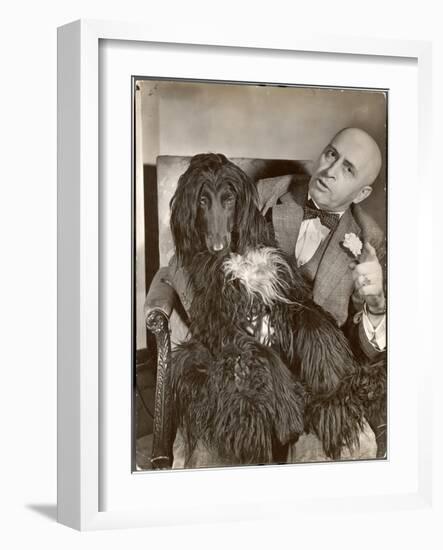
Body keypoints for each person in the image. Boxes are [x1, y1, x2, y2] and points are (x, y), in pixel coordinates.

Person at [257, 127, 386, 459]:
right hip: (257, 360)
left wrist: (375, 305)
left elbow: (364, 350)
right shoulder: (268, 193)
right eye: (332, 155)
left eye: (348, 169)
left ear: (361, 193)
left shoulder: (371, 239)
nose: (329, 171)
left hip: (317, 380)